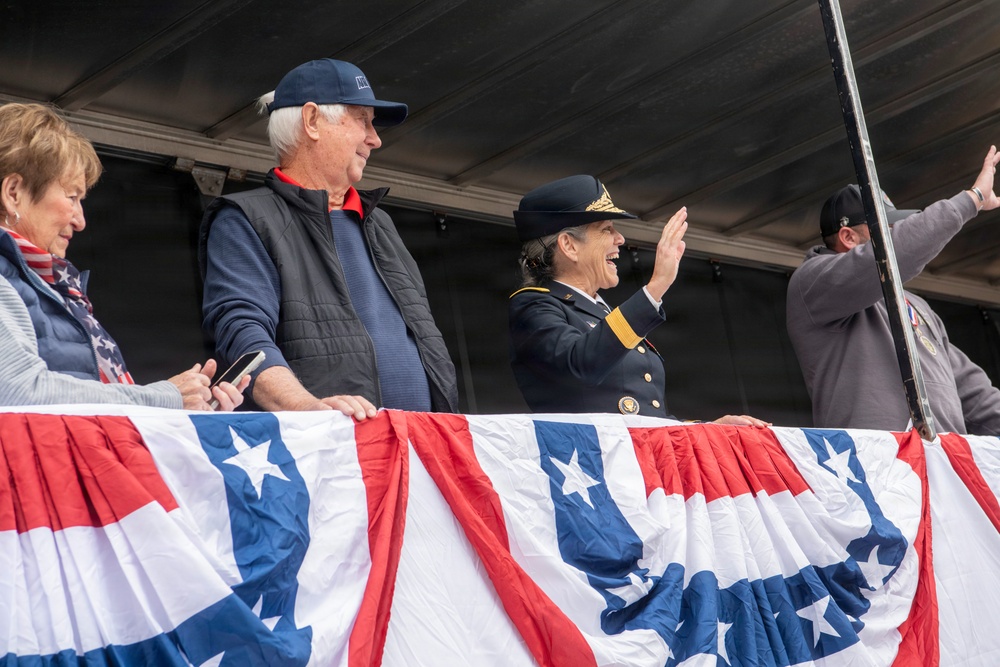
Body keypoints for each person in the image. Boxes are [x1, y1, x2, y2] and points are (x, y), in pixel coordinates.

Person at [200, 59, 458, 418]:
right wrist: (306, 408)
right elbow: (243, 334)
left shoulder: (380, 223)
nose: (375, 138)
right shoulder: (246, 218)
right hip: (331, 450)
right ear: (312, 121)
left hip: (421, 443)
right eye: (362, 120)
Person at [0, 103, 247, 410]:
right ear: (13, 193)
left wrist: (195, 416)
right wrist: (164, 397)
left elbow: (97, 419)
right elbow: (21, 392)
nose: (80, 221)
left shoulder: (52, 288)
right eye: (72, 197)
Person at [508, 174, 769, 426]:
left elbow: (644, 421)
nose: (619, 238)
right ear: (569, 246)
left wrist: (707, 429)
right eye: (606, 229)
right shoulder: (534, 306)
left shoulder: (600, 310)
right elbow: (580, 366)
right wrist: (655, 287)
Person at [786, 146, 1000, 434]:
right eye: (887, 227)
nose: (898, 232)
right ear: (848, 237)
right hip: (877, 468)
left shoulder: (917, 305)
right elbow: (894, 253)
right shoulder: (812, 284)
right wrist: (971, 199)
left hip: (946, 467)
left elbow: (974, 394)